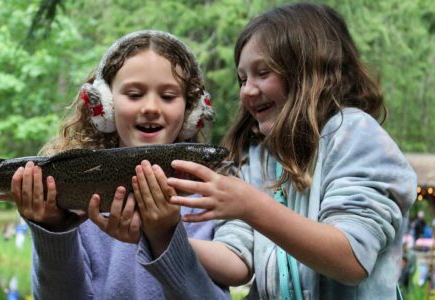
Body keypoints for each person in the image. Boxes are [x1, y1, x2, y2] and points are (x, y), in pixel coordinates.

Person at [153, 3, 417, 299]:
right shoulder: (257, 158)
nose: (247, 91)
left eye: (263, 73)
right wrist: (160, 233)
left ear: (311, 71)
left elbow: (352, 259)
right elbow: (237, 260)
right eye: (242, 79)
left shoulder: (356, 136)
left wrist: (251, 206)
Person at [1, 30, 227, 299]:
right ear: (104, 106)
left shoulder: (210, 199)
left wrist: (165, 237)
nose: (151, 107)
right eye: (134, 94)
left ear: (192, 112)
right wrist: (53, 230)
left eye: (168, 96)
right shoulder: (76, 192)